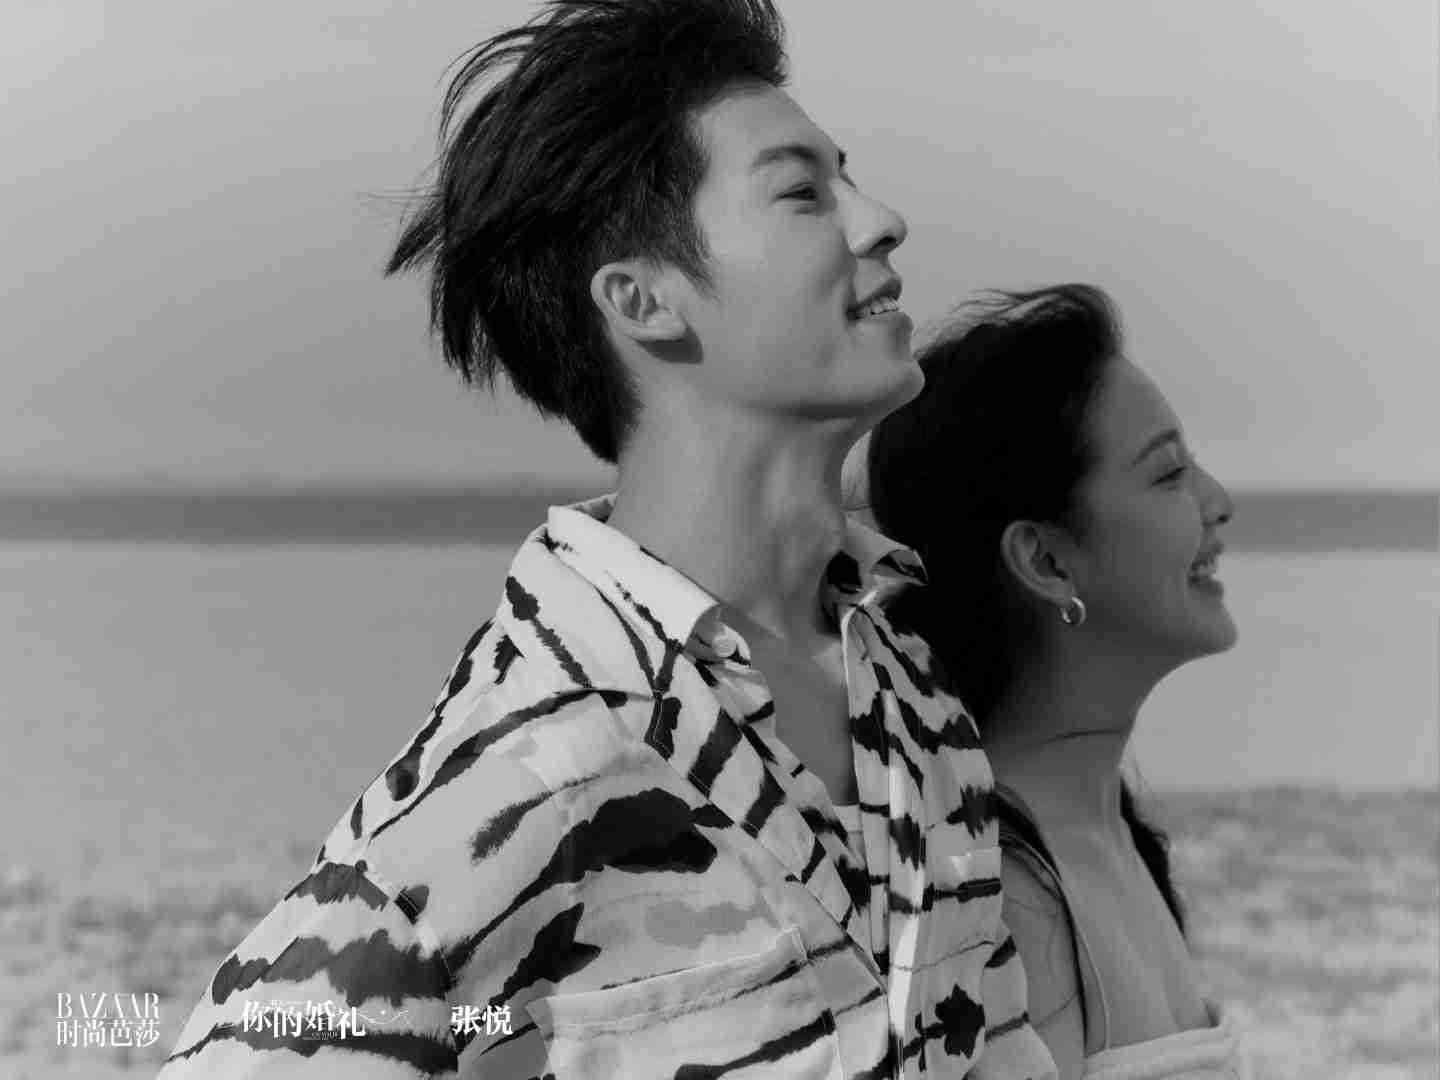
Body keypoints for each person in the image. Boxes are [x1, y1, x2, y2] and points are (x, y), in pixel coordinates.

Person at [159, 3, 1055, 1076]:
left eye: (847, 180)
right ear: (643, 300)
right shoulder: (527, 766)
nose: (882, 221)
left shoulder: (912, 700)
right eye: (803, 193)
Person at [863, 284, 1250, 1079]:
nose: (1218, 503)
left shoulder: (1110, 835)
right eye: (1169, 473)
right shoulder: (1002, 896)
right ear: (1045, 560)